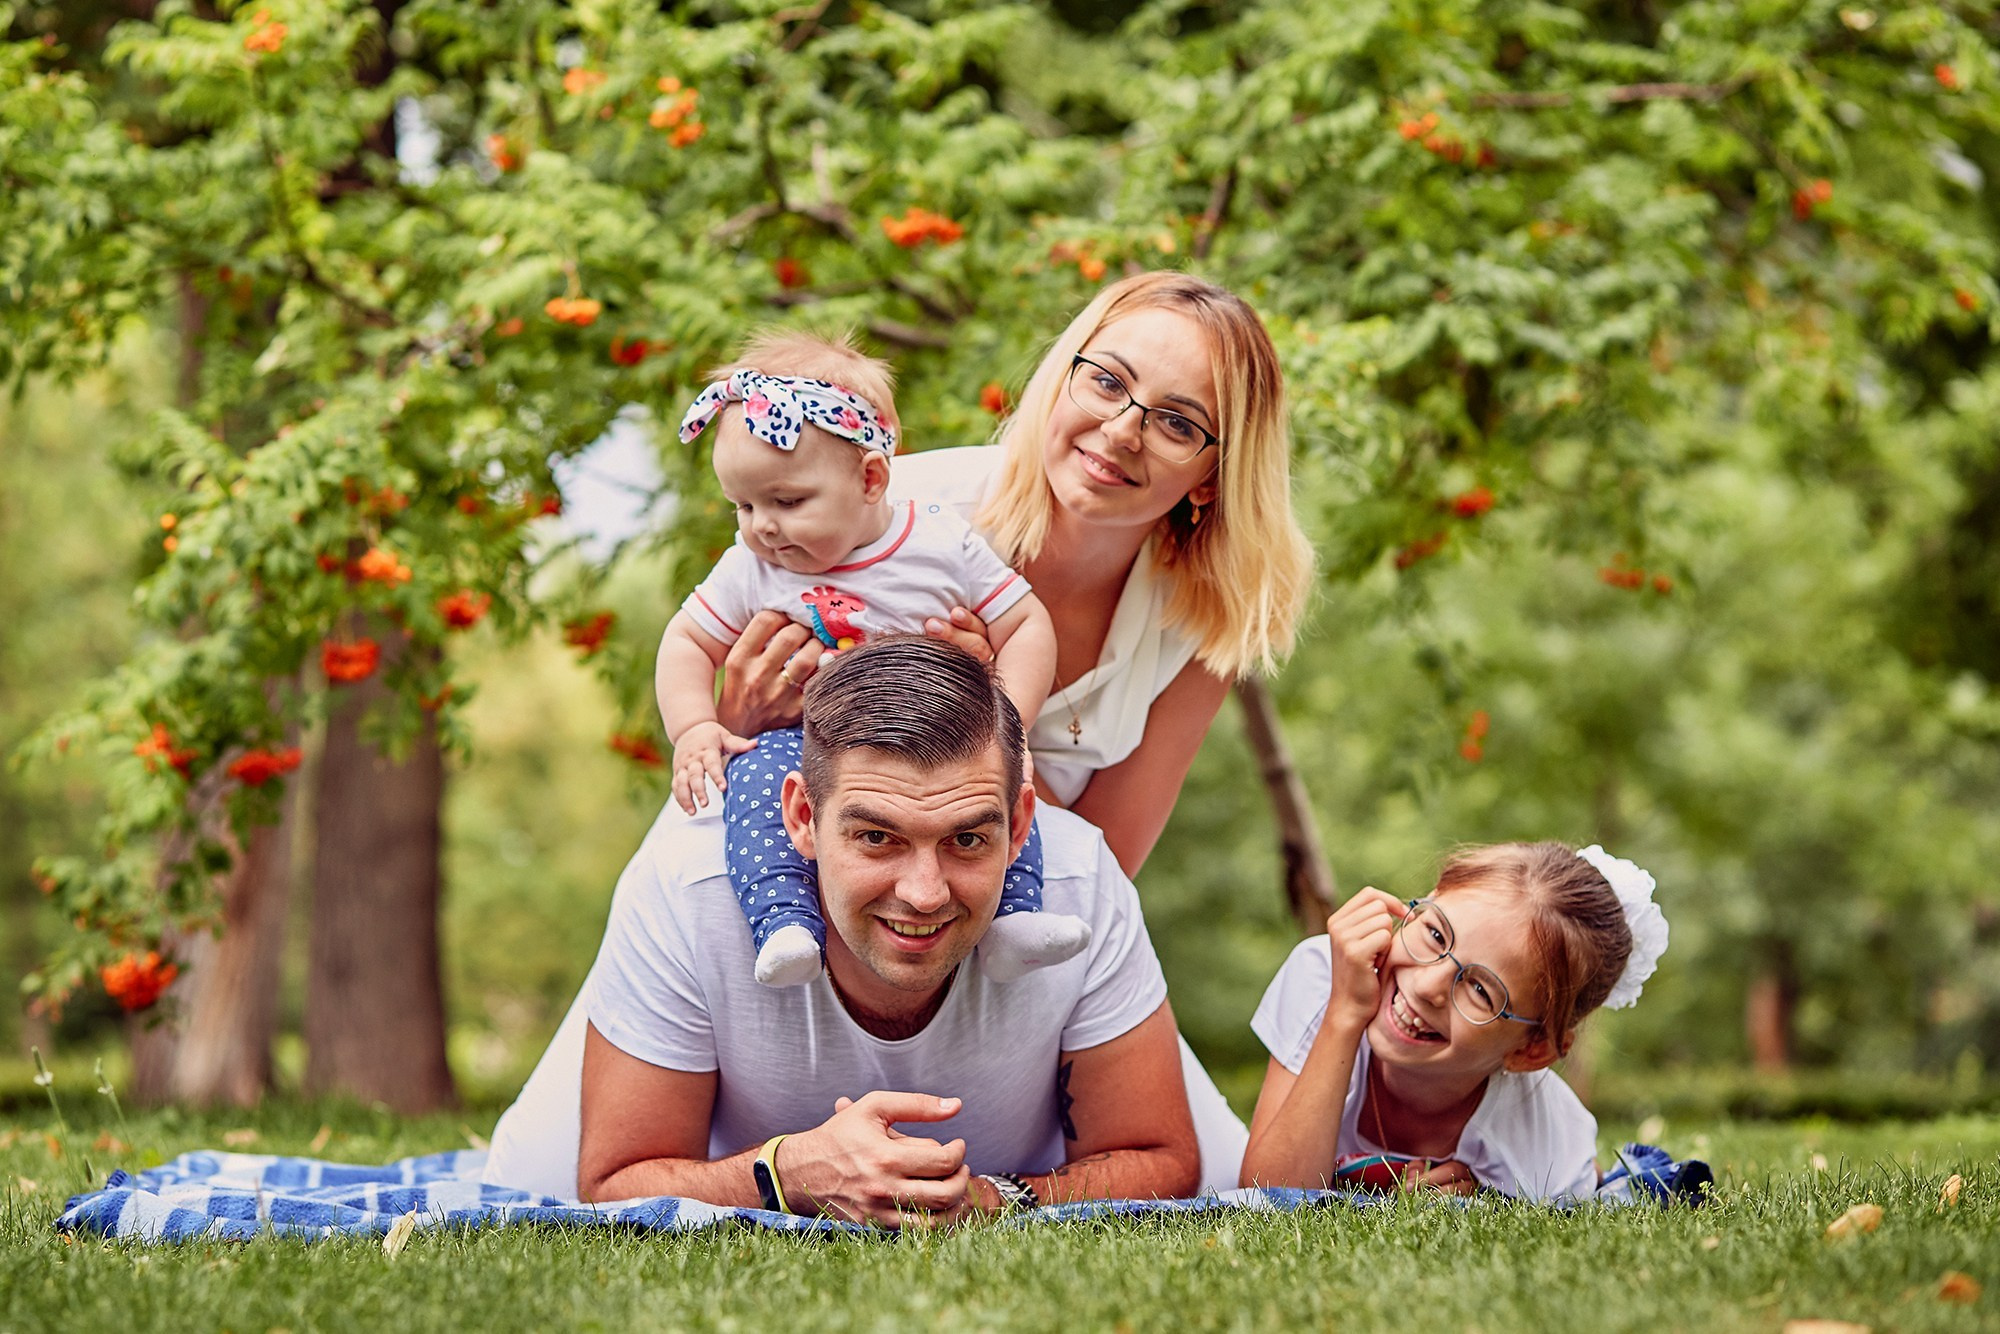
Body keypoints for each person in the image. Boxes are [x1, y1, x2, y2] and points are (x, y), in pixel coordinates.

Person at [484, 272, 1313, 1196]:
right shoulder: (891, 503)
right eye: (1107, 381)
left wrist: (979, 740)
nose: (1122, 430)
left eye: (1177, 422)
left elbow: (1105, 857)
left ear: (1214, 470)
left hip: (988, 910)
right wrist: (738, 717)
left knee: (1220, 1177)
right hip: (790, 851)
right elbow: (732, 652)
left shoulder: (1203, 612)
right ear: (1064, 375)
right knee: (546, 1180)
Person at [577, 636, 1199, 1222]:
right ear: (802, 816)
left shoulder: (1079, 881)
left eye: (967, 840)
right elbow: (613, 1183)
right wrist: (788, 1174)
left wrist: (990, 1200)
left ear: (1017, 825)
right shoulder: (687, 891)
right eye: (877, 837)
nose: (924, 894)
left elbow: (1161, 1159)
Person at [654, 329, 1079, 987]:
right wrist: (693, 727)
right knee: (758, 783)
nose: (762, 525)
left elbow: (1026, 623)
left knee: (992, 794)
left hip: (940, 739)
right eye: (743, 504)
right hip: (806, 741)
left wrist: (1011, 724)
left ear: (871, 478)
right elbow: (686, 640)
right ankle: (785, 924)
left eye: (787, 501)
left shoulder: (938, 541)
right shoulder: (752, 568)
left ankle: (1015, 922)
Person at [1237, 842, 1670, 1202]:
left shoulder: (1545, 1148)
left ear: (1531, 1050)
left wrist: (1488, 1197)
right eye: (1435, 934)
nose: (1428, 985)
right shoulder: (1327, 976)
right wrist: (1345, 1014)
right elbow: (1266, 1196)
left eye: (1481, 990)